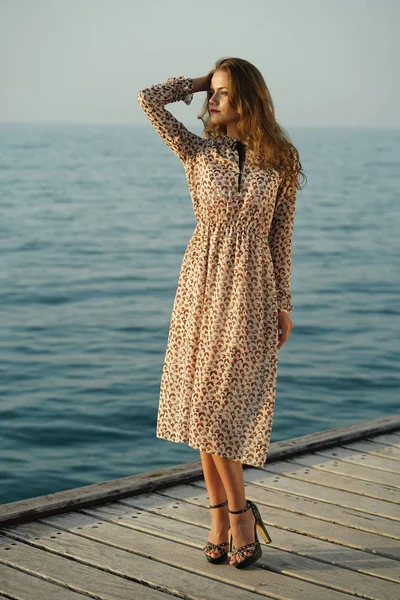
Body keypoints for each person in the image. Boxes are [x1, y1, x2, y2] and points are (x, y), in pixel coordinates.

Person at [138, 57, 306, 569]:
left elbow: (282, 238)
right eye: (211, 93)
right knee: (203, 409)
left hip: (253, 289)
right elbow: (148, 100)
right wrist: (194, 82)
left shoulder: (280, 160)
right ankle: (229, 517)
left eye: (224, 93)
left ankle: (236, 517)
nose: (212, 101)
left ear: (249, 99)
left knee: (222, 410)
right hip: (202, 287)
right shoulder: (196, 149)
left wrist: (283, 303)